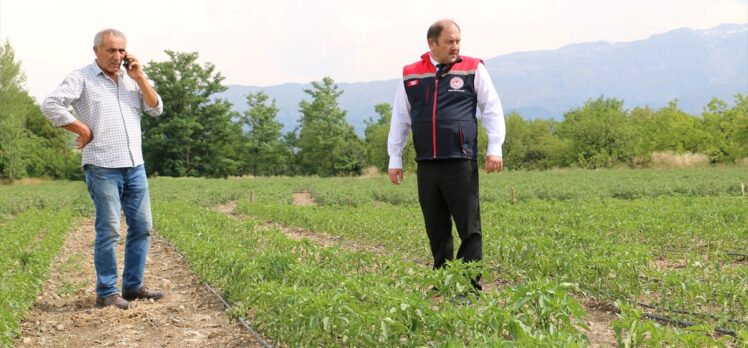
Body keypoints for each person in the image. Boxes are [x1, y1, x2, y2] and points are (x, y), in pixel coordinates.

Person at [42, 29, 165, 309]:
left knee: (143, 227)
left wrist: (140, 77)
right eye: (111, 50)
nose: (117, 56)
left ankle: (132, 287)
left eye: (121, 51)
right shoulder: (81, 78)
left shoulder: (132, 79)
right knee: (109, 229)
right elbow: (50, 104)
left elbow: (156, 109)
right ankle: (107, 292)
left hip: (135, 165)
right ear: (96, 51)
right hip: (102, 166)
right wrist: (81, 127)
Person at [387, 19, 506, 291]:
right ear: (432, 44)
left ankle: (467, 286)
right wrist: (395, 158)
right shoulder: (411, 74)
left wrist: (494, 147)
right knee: (436, 228)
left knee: (468, 227)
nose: (455, 47)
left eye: (458, 41)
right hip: (427, 163)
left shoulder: (473, 68)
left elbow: (492, 108)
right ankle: (442, 282)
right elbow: (400, 118)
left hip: (460, 160)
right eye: (449, 42)